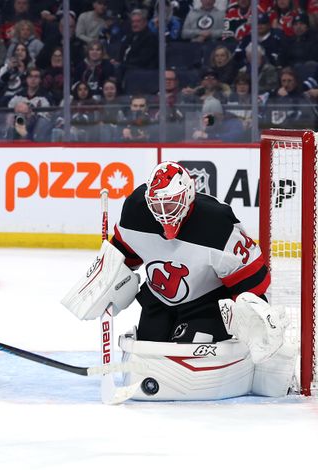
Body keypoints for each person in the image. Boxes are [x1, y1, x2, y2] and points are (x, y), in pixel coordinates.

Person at [61, 162, 296, 401]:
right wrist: (107, 279)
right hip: (158, 300)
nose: (164, 212)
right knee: (149, 349)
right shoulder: (135, 211)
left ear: (188, 196)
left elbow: (253, 279)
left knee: (188, 350)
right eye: (157, 205)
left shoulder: (216, 224)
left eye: (171, 203)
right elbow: (125, 255)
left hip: (208, 303)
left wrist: (247, 308)